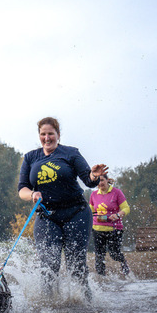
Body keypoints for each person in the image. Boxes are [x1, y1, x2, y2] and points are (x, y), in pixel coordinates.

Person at [18, 116, 107, 299]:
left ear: (58, 134)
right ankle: (50, 305)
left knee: (76, 265)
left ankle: (86, 303)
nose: (47, 138)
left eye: (51, 134)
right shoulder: (30, 157)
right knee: (48, 266)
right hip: (47, 216)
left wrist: (94, 175)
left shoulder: (70, 153)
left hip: (76, 213)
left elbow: (88, 180)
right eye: (43, 134)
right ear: (39, 135)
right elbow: (22, 189)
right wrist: (32, 194)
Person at [89, 174, 131, 276]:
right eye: (97, 181)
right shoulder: (93, 194)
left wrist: (117, 215)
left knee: (114, 254)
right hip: (97, 229)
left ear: (107, 180)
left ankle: (123, 263)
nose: (100, 183)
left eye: (102, 180)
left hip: (114, 229)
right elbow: (91, 211)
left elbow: (126, 208)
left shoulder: (116, 192)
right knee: (99, 256)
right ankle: (101, 278)